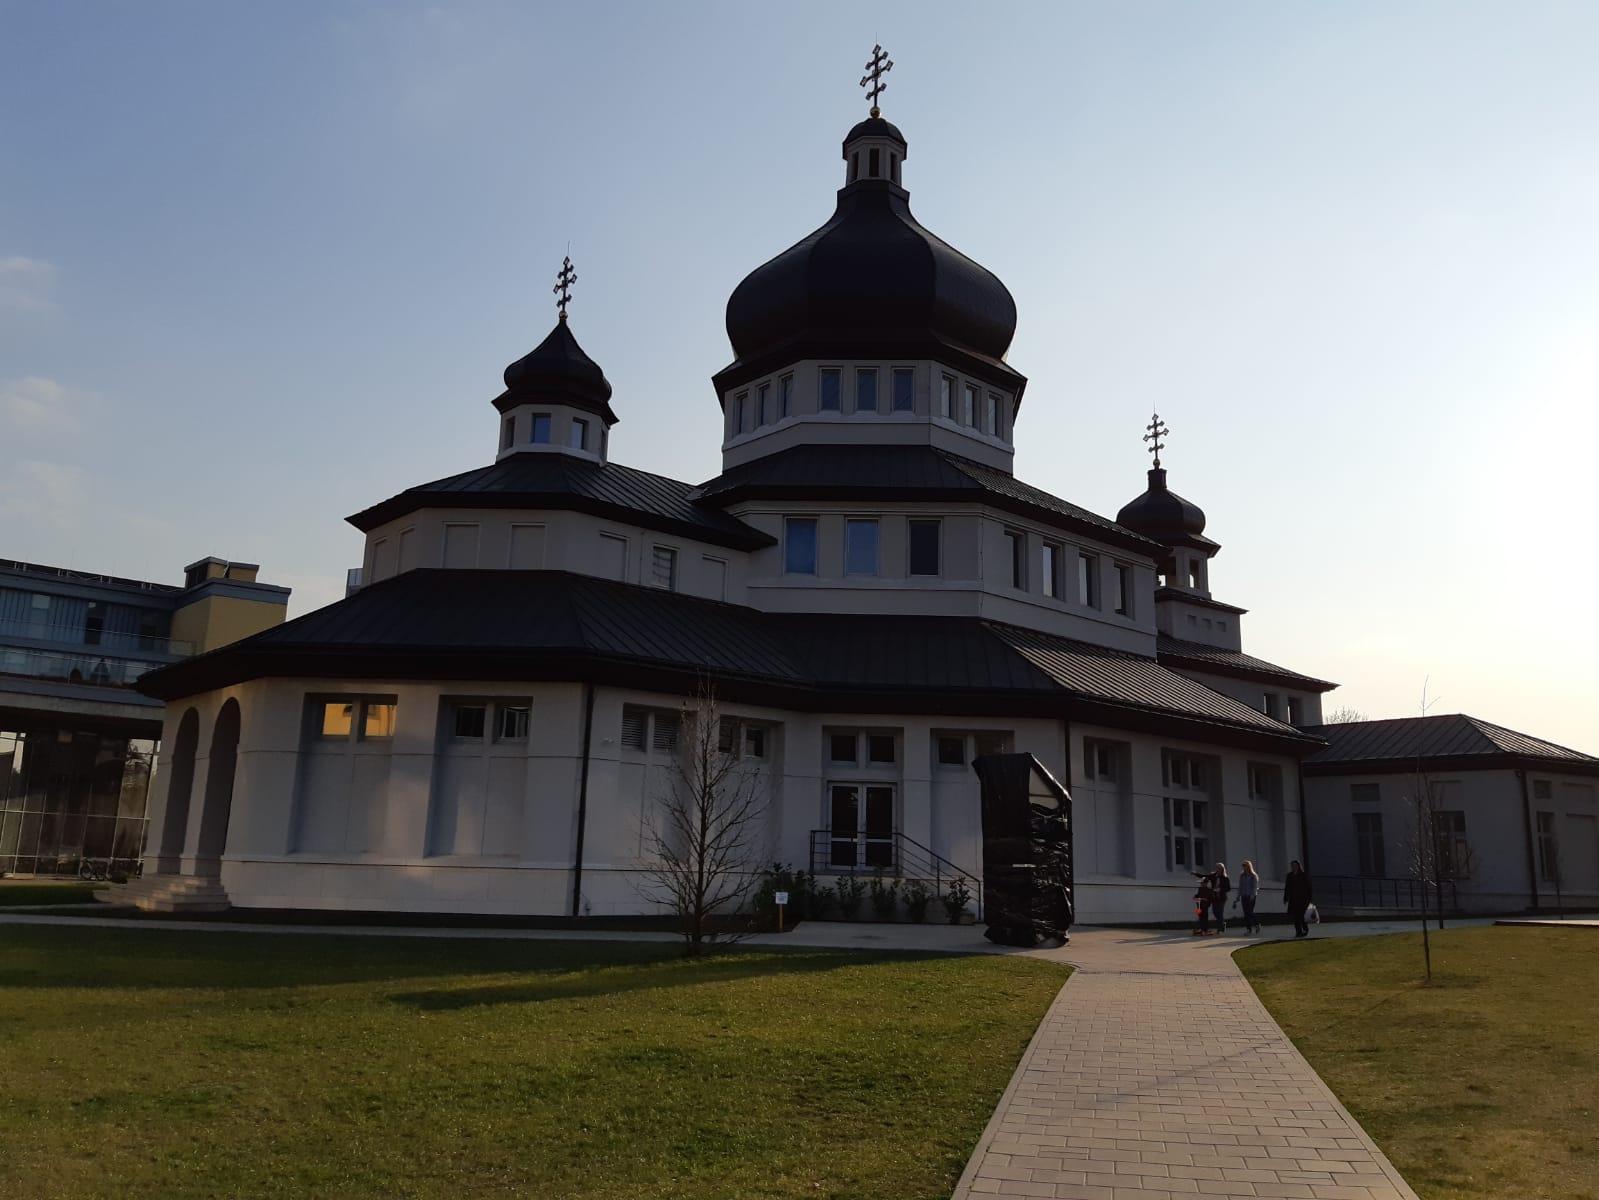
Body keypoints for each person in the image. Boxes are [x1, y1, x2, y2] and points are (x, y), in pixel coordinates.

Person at [1284, 859, 1314, 937]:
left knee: (1301, 916)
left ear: (1298, 866)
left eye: (1295, 865)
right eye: (1292, 866)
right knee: (1295, 917)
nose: (1294, 867)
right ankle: (1298, 932)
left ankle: (1305, 928)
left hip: (1303, 899)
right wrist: (1286, 898)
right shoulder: (1290, 876)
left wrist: (1310, 898)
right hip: (1293, 899)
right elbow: (1287, 887)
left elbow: (1309, 887)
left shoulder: (1303, 875)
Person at [1235, 860, 1260, 934]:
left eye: (1245, 865)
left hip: (1251, 896)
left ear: (1249, 866)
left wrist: (1253, 895)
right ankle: (1249, 929)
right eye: (1243, 865)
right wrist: (1238, 896)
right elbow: (1240, 886)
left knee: (1250, 912)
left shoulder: (1253, 875)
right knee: (1246, 913)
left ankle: (1256, 924)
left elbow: (1255, 886)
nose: (1243, 867)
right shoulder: (1242, 875)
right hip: (1244, 895)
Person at [1191, 871, 1215, 935]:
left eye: (1203, 883)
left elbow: (1212, 898)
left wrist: (1208, 901)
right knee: (1200, 917)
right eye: (1201, 883)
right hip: (1199, 906)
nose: (1202, 884)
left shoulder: (1209, 890)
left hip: (1206, 906)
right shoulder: (1199, 889)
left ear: (1206, 883)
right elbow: (1196, 896)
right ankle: (1200, 929)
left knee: (1205, 917)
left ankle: (1205, 929)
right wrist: (1197, 898)